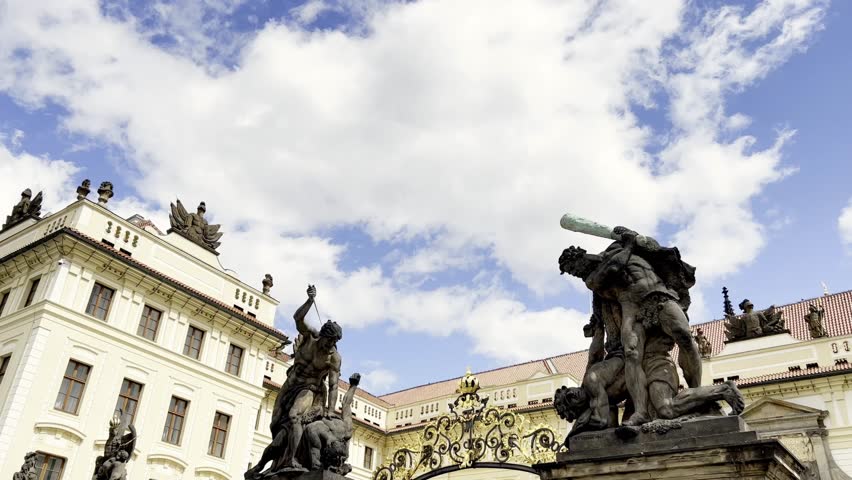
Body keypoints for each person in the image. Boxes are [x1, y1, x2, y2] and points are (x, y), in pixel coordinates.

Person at [559, 227, 701, 426]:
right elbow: (614, 268)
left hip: (659, 294)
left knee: (685, 337)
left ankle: (697, 391)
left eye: (575, 267)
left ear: (582, 256)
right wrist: (629, 244)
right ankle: (640, 411)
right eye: (573, 272)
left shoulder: (614, 248)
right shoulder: (593, 279)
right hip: (632, 307)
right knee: (632, 353)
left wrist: (629, 234)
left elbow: (649, 244)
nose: (577, 272)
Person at [246, 285, 343, 478]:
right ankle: (274, 462)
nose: (330, 346)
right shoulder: (310, 336)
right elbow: (298, 318)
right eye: (329, 341)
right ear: (323, 335)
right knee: (277, 424)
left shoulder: (333, 358)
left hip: (310, 388)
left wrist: (330, 410)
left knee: (294, 416)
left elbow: (333, 386)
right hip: (291, 384)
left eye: (334, 343)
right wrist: (309, 301)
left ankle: (293, 459)